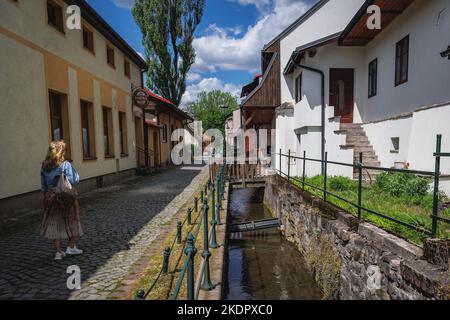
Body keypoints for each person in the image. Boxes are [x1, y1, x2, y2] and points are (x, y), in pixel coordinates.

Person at [40, 141, 83, 260]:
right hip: (65, 197)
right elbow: (74, 180)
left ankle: (58, 252)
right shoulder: (65, 165)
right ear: (61, 152)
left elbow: (43, 186)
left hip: (50, 197)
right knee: (71, 220)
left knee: (54, 223)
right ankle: (71, 247)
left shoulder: (44, 165)